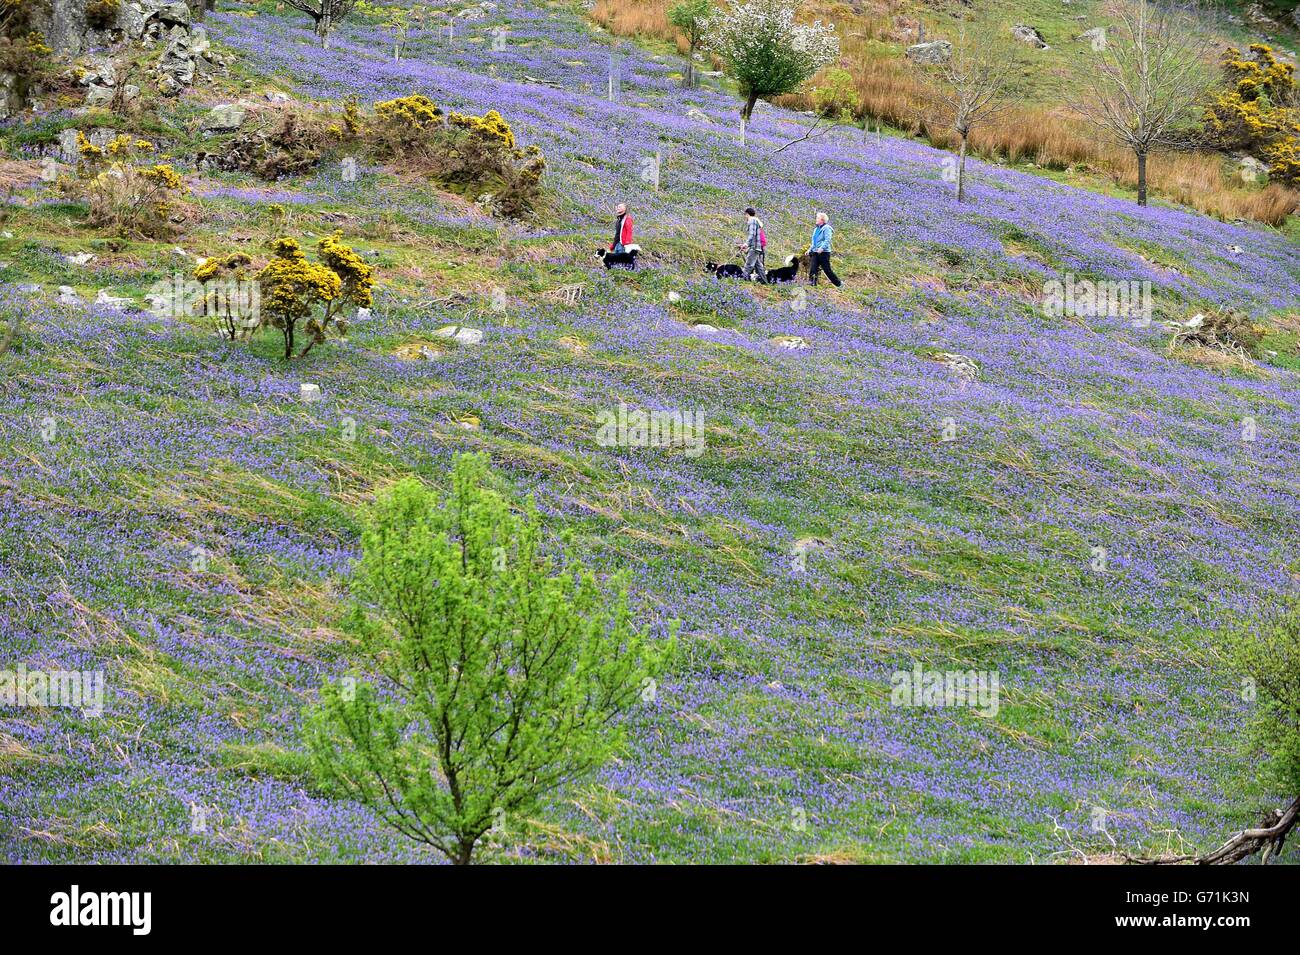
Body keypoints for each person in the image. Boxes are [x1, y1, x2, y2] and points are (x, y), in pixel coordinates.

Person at [808, 212, 842, 288]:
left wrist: (822, 248)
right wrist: (809, 250)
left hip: (824, 253)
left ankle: (839, 284)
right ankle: (812, 285)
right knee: (813, 269)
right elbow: (814, 242)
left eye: (818, 218)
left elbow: (828, 240)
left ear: (822, 220)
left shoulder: (827, 228)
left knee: (827, 270)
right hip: (815, 252)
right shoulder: (816, 229)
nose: (816, 219)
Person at [740, 207, 767, 283]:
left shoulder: (752, 221)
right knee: (758, 266)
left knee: (749, 264)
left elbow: (752, 234)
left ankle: (742, 280)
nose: (745, 216)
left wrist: (746, 244)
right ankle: (764, 281)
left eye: (745, 214)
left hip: (754, 246)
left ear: (747, 214)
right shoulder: (756, 221)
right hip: (757, 246)